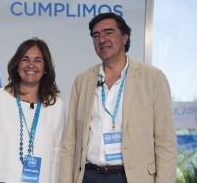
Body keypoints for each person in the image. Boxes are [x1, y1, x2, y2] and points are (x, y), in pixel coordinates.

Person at [60, 12, 177, 183]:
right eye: (96, 35)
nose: (102, 39)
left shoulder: (152, 78)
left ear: (124, 37)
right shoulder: (83, 80)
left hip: (131, 177)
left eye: (109, 32)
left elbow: (166, 143)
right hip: (88, 175)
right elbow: (70, 141)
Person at [0, 38, 65, 183]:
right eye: (25, 59)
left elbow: (57, 151)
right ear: (17, 65)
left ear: (45, 68)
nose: (31, 65)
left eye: (37, 60)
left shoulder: (56, 106)